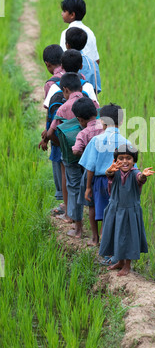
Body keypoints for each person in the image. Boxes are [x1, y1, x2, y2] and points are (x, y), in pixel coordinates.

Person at [46, 73, 99, 237]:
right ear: (81, 88)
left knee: (74, 187)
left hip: (71, 155)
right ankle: (98, 232)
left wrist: (59, 143)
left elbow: (50, 132)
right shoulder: (91, 102)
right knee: (93, 187)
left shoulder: (62, 108)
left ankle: (78, 229)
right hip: (91, 157)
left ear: (65, 90)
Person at [79, 103, 133, 247]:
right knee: (111, 212)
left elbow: (90, 166)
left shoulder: (96, 140)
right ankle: (106, 242)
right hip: (118, 182)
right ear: (121, 122)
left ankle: (95, 239)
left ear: (101, 121)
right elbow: (132, 167)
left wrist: (88, 187)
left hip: (99, 180)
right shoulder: (126, 142)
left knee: (94, 207)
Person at [99, 144, 155, 276]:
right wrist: (109, 170)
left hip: (129, 212)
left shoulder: (136, 173)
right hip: (115, 209)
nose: (125, 161)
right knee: (116, 235)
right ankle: (119, 261)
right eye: (121, 158)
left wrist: (144, 176)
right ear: (116, 160)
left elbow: (140, 178)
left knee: (128, 237)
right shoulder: (114, 172)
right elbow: (109, 174)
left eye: (128, 158)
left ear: (134, 161)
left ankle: (127, 265)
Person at [71, 98, 104, 246]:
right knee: (106, 205)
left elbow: (76, 150)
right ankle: (104, 237)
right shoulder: (106, 127)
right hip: (108, 172)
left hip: (90, 174)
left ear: (80, 119)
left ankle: (94, 238)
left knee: (92, 206)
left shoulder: (83, 133)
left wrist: (87, 153)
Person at [39, 44, 64, 213]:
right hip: (76, 129)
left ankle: (64, 203)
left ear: (47, 64)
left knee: (59, 162)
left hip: (58, 132)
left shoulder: (51, 84)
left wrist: (46, 136)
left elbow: (51, 114)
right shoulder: (77, 75)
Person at [59, 0, 100, 64]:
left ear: (72, 15)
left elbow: (62, 58)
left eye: (64, 11)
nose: (62, 14)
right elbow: (96, 60)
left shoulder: (66, 33)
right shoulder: (89, 32)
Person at [65, 27, 101, 94]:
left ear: (67, 45)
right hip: (89, 102)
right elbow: (97, 89)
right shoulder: (93, 64)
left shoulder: (64, 61)